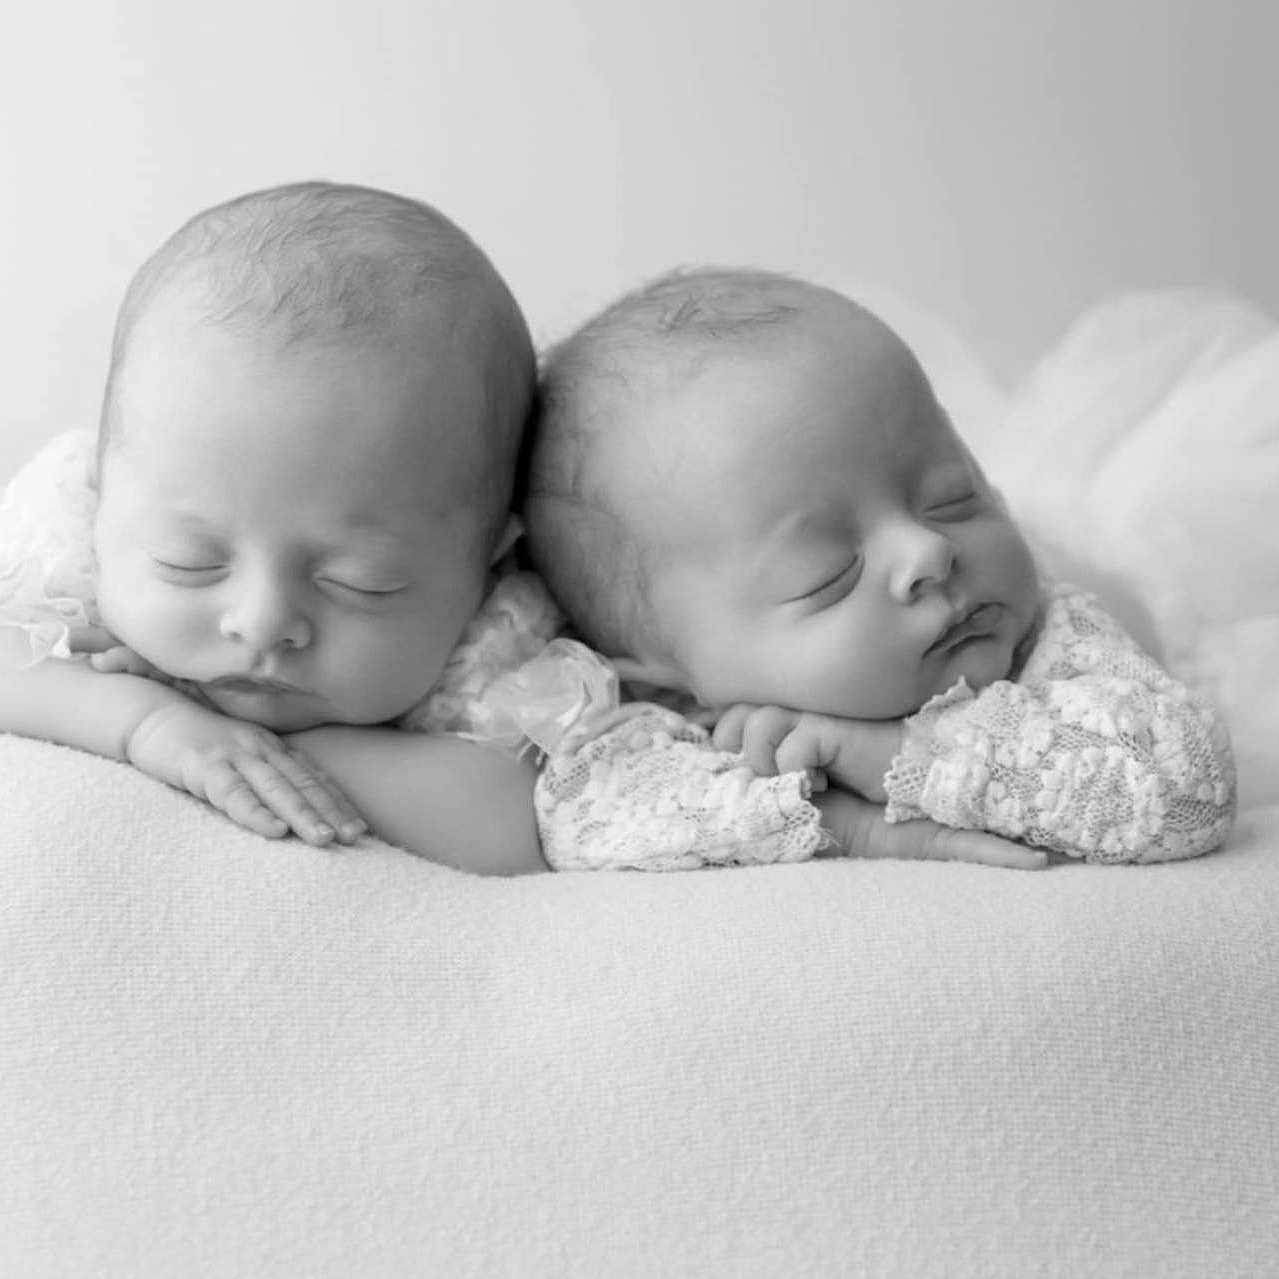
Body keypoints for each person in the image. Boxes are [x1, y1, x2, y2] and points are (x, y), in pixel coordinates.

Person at [515, 267, 1236, 870]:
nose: (927, 552)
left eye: (954, 498)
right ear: (662, 672)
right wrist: (849, 823)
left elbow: (1186, 791)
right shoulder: (677, 726)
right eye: (828, 573)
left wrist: (900, 755)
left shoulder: (1053, 637)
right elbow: (587, 820)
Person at [0, 181, 556, 874]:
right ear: (100, 501)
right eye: (189, 561)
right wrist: (151, 723)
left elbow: (503, 825)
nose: (261, 623)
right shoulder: (67, 556)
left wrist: (252, 745)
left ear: (489, 566)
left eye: (361, 583)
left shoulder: (494, 651)